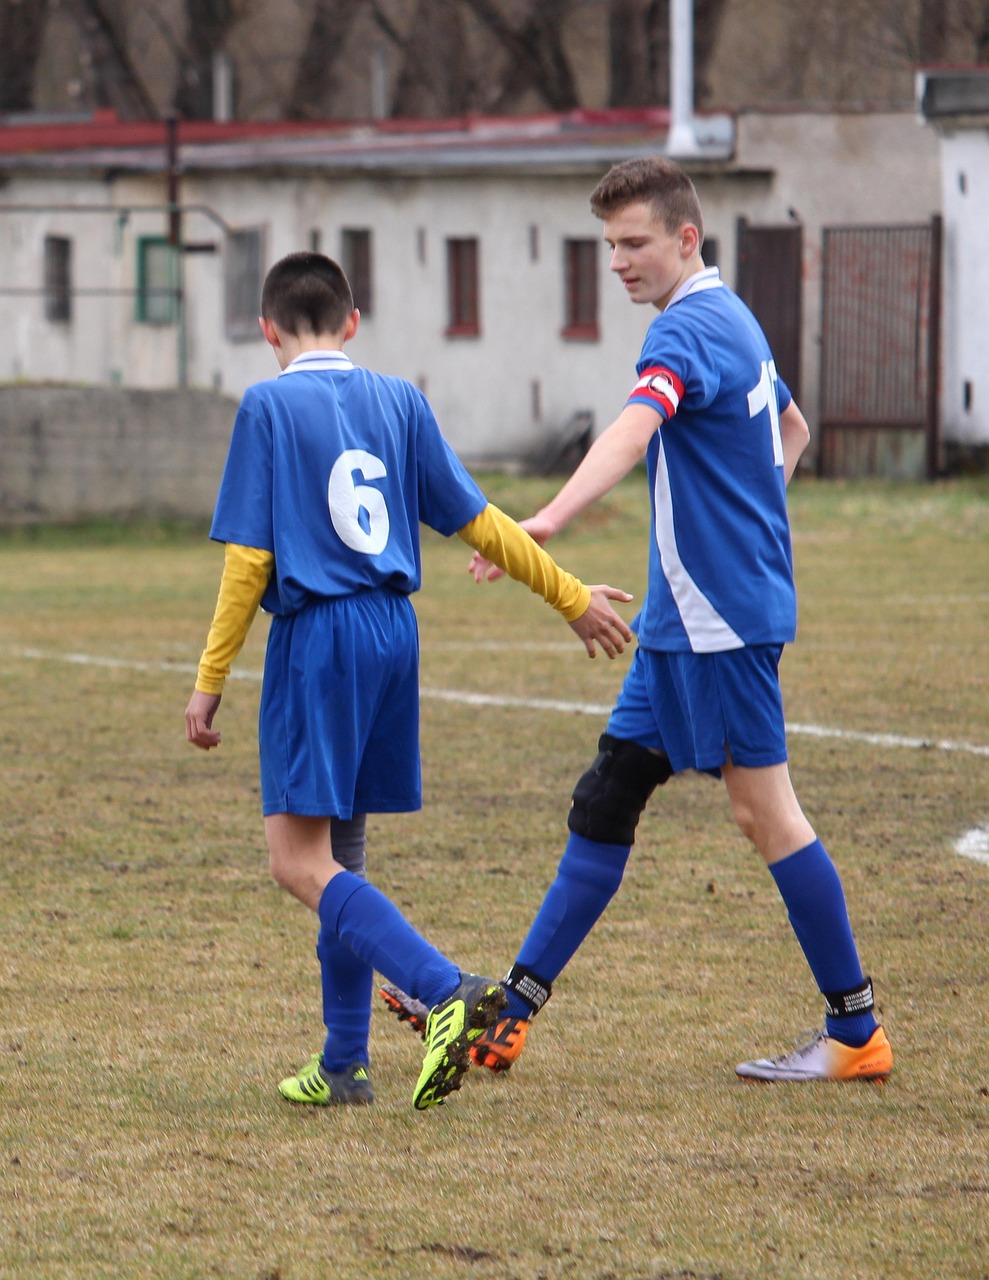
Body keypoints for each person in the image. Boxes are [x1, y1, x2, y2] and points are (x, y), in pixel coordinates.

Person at [382, 157, 894, 1084]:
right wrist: (747, 517)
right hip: (678, 626)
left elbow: (632, 427)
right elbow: (793, 432)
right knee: (606, 798)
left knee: (764, 812)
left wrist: (544, 521)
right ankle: (512, 1012)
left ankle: (855, 1031)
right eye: (607, 243)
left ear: (683, 238)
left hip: (719, 624)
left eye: (632, 243)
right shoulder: (731, 314)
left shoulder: (683, 334)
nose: (616, 261)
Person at [184, 250, 634, 1112]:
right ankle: (344, 1063)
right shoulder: (399, 400)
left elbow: (250, 560)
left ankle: (444, 991)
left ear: (266, 330)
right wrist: (570, 597)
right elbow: (479, 522)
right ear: (353, 323)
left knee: (295, 859)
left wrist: (211, 680)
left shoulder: (267, 405)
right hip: (392, 632)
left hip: (317, 637)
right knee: (341, 854)